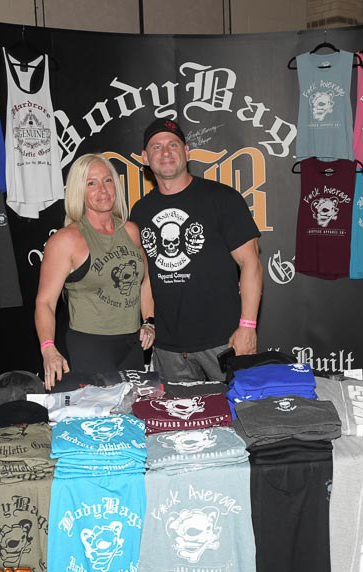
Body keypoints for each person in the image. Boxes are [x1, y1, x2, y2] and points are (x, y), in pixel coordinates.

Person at [130, 118, 263, 382]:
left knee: (239, 406)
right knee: (175, 410)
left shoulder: (222, 198)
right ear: (145, 158)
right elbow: (146, 277)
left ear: (187, 151)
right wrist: (149, 321)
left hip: (224, 342)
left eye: (173, 145)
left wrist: (247, 327)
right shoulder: (140, 211)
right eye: (156, 147)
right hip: (167, 349)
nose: (165, 152)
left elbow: (252, 264)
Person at [35, 153, 155, 389]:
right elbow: (45, 302)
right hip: (90, 347)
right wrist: (48, 348)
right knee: (98, 412)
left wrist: (149, 321)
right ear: (79, 191)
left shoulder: (131, 231)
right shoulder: (67, 240)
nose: (102, 189)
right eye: (91, 183)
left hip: (132, 346)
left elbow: (145, 280)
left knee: (133, 409)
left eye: (107, 180)